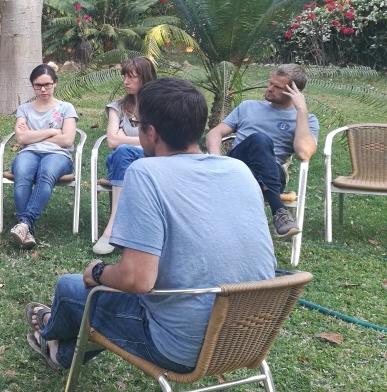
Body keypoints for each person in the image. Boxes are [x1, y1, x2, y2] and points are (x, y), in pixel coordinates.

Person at [23, 78, 276, 373]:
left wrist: (98, 272)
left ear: (151, 132)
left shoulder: (145, 172)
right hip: (250, 338)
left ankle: (49, 332)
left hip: (182, 348)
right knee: (102, 302)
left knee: (71, 288)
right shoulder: (239, 170)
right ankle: (59, 349)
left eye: (137, 123)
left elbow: (137, 280)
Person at [206, 64, 319, 237]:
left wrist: (301, 110)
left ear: (294, 92)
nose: (270, 88)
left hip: (271, 174)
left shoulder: (307, 120)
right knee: (259, 140)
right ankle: (279, 211)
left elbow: (304, 153)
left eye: (277, 87)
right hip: (235, 168)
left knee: (261, 145)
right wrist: (216, 158)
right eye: (270, 83)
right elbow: (215, 133)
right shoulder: (248, 107)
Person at [8, 64, 79, 250]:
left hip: (58, 154)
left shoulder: (66, 108)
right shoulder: (24, 109)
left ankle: (24, 223)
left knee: (46, 173)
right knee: (22, 174)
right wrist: (52, 131)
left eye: (47, 84)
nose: (43, 89)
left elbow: (67, 139)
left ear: (55, 83)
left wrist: (34, 135)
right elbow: (21, 138)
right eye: (38, 85)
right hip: (28, 152)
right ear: (32, 86)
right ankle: (26, 230)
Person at [93, 56, 157, 255]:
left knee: (123, 149)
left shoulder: (159, 105)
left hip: (152, 161)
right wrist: (139, 140)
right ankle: (115, 224)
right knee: (122, 152)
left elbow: (160, 139)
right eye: (125, 77)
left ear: (145, 78)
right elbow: (112, 141)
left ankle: (114, 228)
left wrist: (125, 138)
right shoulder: (118, 107)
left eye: (132, 77)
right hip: (123, 163)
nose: (126, 82)